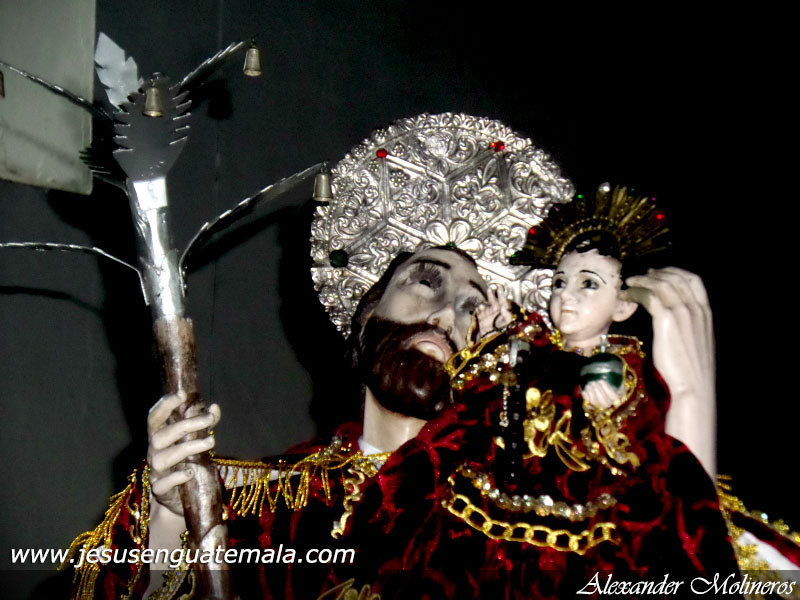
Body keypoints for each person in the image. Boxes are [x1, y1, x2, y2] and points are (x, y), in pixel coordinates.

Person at [66, 117, 724, 598]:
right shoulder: (271, 510)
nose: (447, 315)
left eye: (474, 307)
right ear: (366, 315)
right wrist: (171, 523)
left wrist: (690, 413)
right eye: (426, 282)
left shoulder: (535, 508)